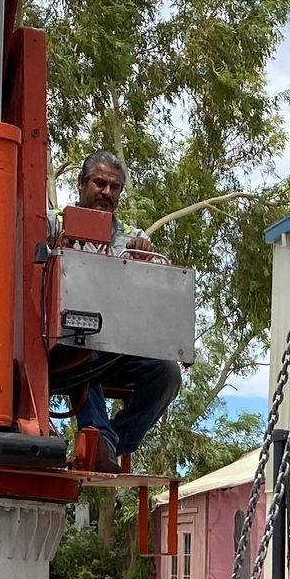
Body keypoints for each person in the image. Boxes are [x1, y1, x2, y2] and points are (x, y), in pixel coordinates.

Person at [57, 150, 183, 472]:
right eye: (99, 183)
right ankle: (99, 436)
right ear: (82, 183)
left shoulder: (134, 238)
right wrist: (55, 245)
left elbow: (149, 302)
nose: (106, 192)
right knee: (82, 346)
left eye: (114, 187)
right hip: (70, 342)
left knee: (167, 372)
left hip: (120, 348)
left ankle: (109, 443)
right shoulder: (53, 222)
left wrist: (145, 266)